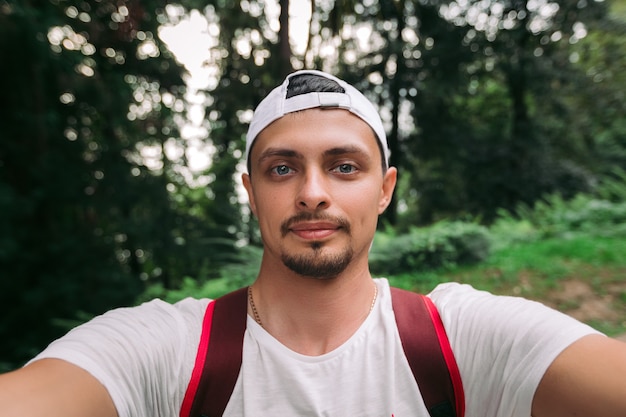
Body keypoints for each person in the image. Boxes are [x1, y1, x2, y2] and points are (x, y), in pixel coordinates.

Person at [1, 70, 625, 417]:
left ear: (385, 189)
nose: (312, 193)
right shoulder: (169, 353)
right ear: (251, 193)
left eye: (344, 166)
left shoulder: (459, 340)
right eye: (281, 169)